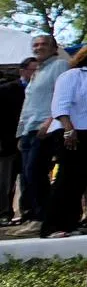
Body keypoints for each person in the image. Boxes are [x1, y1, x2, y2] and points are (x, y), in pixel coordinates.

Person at [40, 44, 87, 238]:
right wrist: (68, 128)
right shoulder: (72, 75)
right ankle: (51, 226)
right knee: (66, 178)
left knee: (79, 181)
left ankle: (69, 223)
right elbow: (60, 103)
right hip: (72, 131)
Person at [16, 35, 69, 223]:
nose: (39, 47)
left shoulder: (60, 65)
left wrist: (50, 121)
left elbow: (61, 95)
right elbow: (28, 103)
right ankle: (35, 218)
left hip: (45, 127)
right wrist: (20, 133)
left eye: (43, 44)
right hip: (28, 129)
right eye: (35, 45)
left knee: (36, 172)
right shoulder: (37, 70)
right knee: (29, 176)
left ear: (54, 47)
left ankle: (44, 220)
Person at [0, 57, 35, 225]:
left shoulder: (40, 90)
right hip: (8, 143)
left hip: (31, 140)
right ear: (23, 71)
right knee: (5, 180)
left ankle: (27, 212)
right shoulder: (7, 90)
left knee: (28, 179)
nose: (35, 74)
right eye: (32, 70)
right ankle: (4, 213)